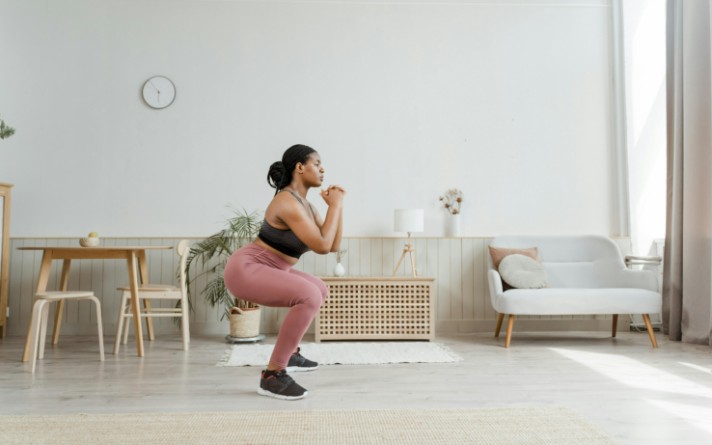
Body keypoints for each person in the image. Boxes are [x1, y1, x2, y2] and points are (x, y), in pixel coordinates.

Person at [223, 144, 345, 400]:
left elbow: (332, 244)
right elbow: (322, 246)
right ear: (300, 167)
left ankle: (289, 354)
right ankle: (272, 375)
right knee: (309, 295)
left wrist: (338, 207)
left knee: (319, 289)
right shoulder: (286, 202)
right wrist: (334, 205)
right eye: (317, 163)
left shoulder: (307, 206)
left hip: (272, 267)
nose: (323, 169)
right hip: (248, 268)